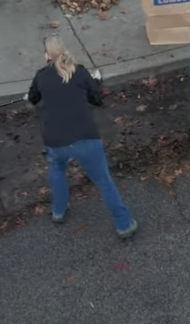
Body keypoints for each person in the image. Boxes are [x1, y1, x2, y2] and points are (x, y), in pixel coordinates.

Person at [28, 37, 137, 239]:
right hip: (85, 138)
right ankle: (124, 224)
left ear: (46, 55)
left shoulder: (41, 76)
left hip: (55, 140)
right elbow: (96, 99)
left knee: (57, 172)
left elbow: (33, 98)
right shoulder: (80, 71)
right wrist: (94, 83)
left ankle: (58, 212)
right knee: (104, 181)